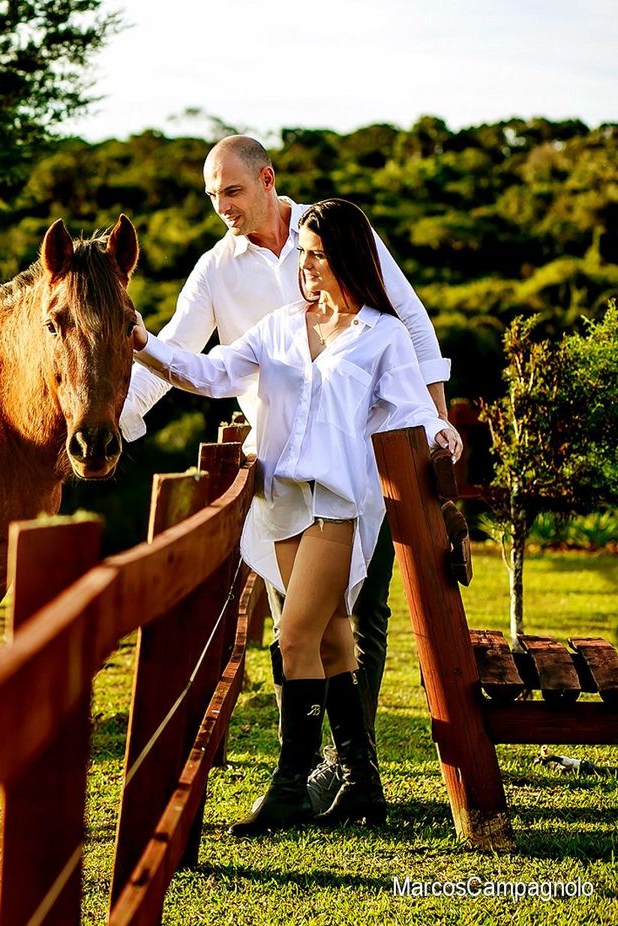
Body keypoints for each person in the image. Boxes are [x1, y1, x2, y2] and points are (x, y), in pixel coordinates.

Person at [119, 136, 459, 808]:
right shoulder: (248, 298)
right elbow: (201, 364)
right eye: (211, 194)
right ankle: (357, 778)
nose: (221, 206)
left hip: (346, 485)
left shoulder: (369, 310)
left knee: (320, 626)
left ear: (266, 180)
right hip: (277, 481)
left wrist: (437, 430)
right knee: (320, 626)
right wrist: (121, 393)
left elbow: (413, 354)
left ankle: (300, 779)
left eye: (232, 191)